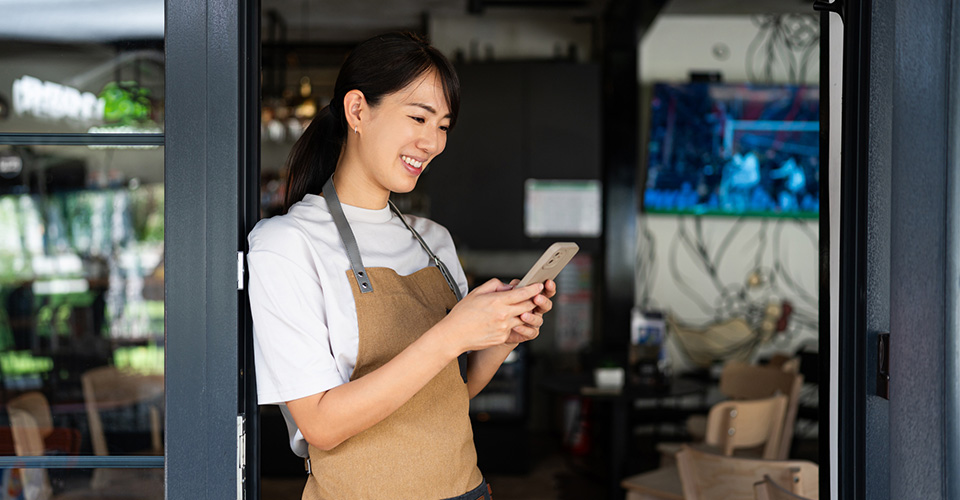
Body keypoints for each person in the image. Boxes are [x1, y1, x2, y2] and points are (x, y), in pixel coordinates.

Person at [246, 32, 556, 500]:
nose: (432, 142)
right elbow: (322, 426)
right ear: (356, 111)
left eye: (444, 126)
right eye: (418, 117)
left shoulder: (434, 240)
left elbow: (450, 394)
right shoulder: (286, 245)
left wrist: (499, 338)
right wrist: (453, 333)